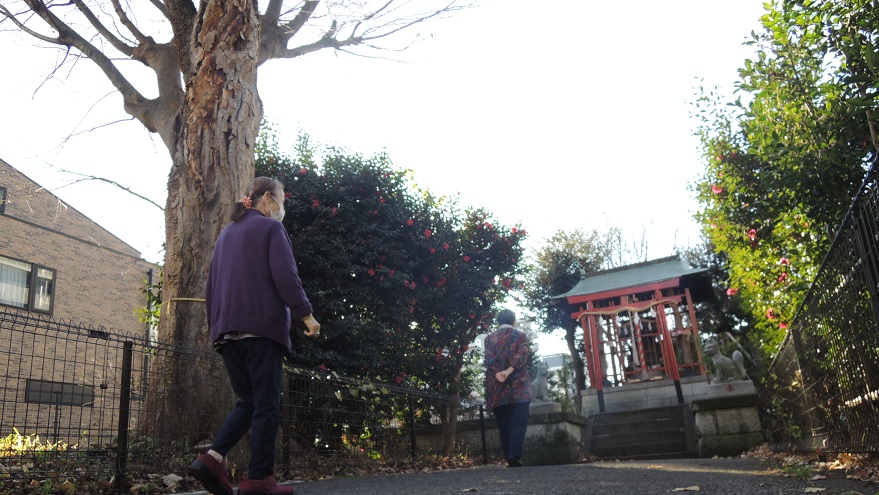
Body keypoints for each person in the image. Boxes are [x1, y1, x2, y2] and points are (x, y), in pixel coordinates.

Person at [189, 177, 320, 495]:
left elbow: (211, 287)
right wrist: (306, 314)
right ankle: (258, 480)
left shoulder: (225, 235)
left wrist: (216, 327)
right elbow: (285, 274)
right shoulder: (271, 229)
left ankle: (212, 458)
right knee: (266, 406)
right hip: (261, 328)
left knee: (248, 402)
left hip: (226, 332)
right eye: (282, 199)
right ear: (266, 199)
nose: (282, 206)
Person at [484, 309, 533, 467]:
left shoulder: (490, 339)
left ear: (498, 321)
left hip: (498, 388)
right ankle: (514, 454)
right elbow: (522, 356)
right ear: (514, 321)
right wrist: (508, 371)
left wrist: (499, 373)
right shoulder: (520, 336)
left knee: (503, 423)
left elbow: (490, 360)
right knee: (519, 421)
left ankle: (509, 456)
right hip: (519, 388)